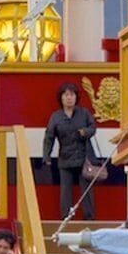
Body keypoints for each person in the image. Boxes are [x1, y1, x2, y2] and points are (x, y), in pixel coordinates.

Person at [41, 82, 100, 220]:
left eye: (72, 95)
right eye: (66, 95)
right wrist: (46, 156)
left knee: (86, 190)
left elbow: (93, 128)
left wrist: (86, 132)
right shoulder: (56, 116)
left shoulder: (84, 113)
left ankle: (89, 217)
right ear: (61, 98)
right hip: (65, 158)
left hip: (84, 157)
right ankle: (65, 218)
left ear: (76, 97)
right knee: (65, 191)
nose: (69, 98)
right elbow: (49, 137)